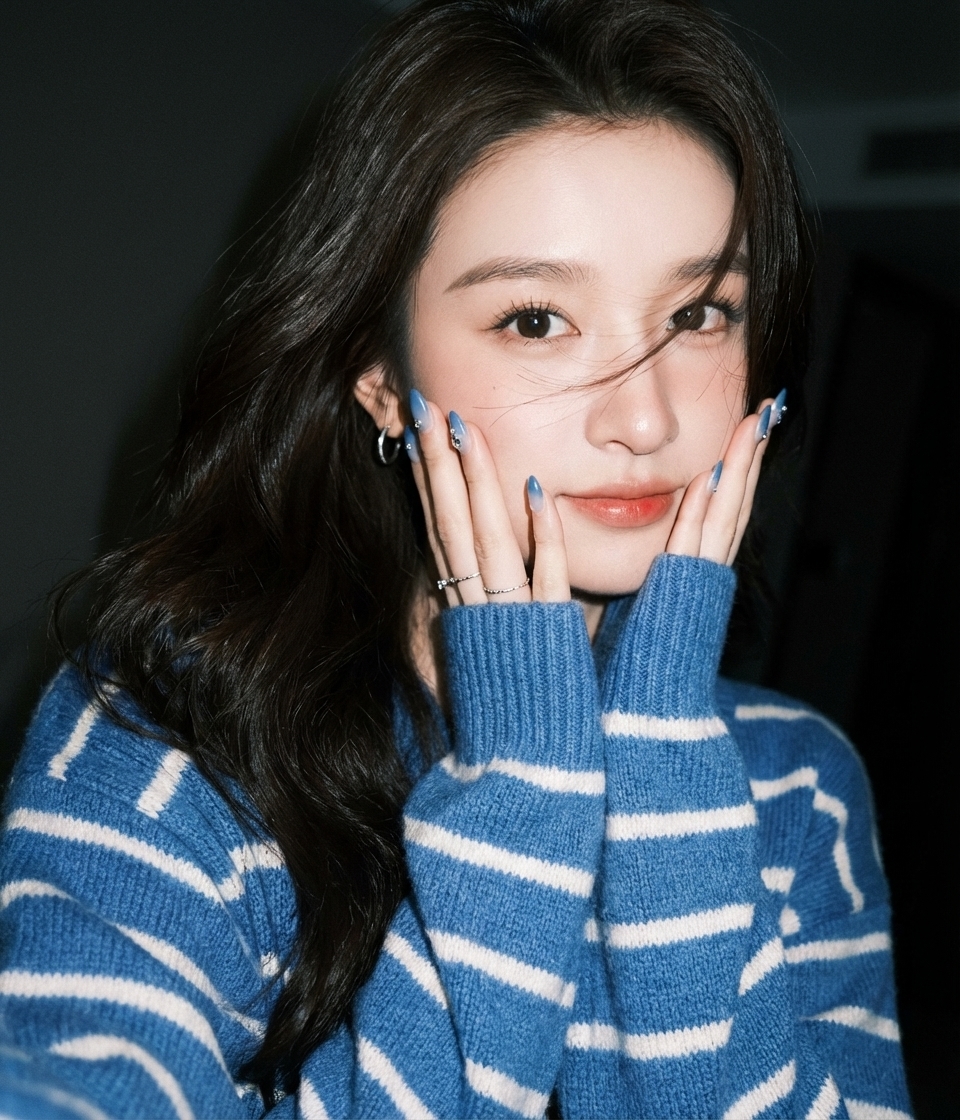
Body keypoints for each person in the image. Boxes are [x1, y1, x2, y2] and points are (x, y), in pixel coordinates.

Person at [0, 1, 912, 1117]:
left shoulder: (799, 783)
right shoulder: (167, 748)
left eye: (699, 313)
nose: (646, 417)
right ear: (379, 377)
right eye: (535, 319)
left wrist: (668, 783)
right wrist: (522, 785)